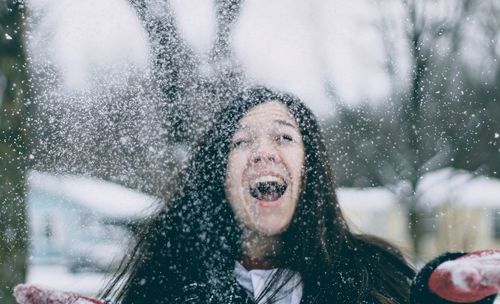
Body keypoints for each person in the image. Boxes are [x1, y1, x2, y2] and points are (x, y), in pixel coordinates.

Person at [14, 87, 500, 304]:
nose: (263, 153)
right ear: (220, 177)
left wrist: (439, 300)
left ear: (308, 171)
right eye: (241, 142)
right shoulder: (168, 283)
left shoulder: (369, 275)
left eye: (284, 138)